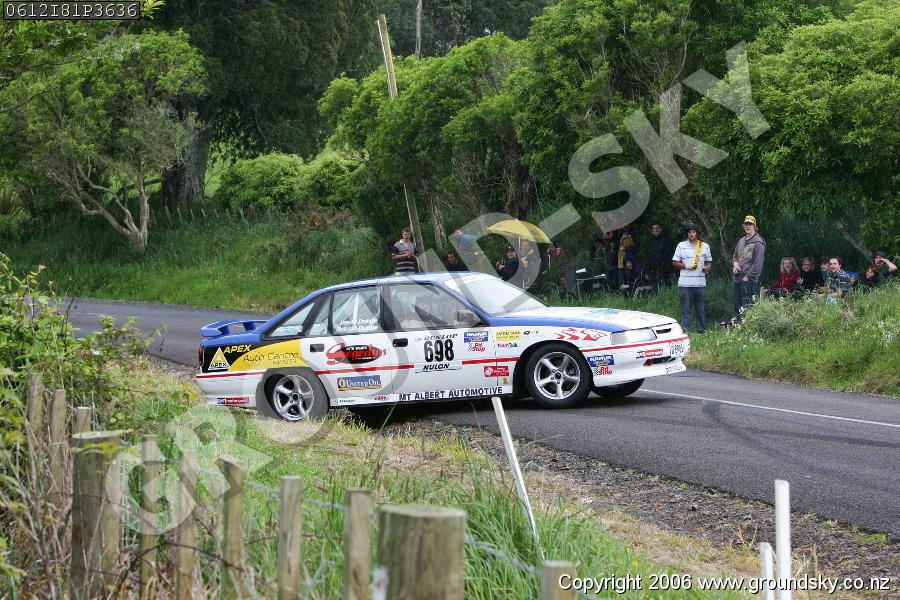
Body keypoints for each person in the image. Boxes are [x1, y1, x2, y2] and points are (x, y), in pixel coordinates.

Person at [672, 224, 712, 333]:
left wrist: (708, 268)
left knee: (700, 309)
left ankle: (702, 330)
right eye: (689, 232)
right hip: (685, 283)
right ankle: (686, 331)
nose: (691, 234)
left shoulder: (705, 246)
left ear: (697, 233)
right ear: (687, 234)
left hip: (700, 283)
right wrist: (686, 266)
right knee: (686, 310)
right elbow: (675, 262)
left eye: (693, 232)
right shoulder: (681, 245)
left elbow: (709, 261)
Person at [732, 215, 766, 319]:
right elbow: (735, 256)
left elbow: (758, 263)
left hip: (749, 280)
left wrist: (747, 277)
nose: (748, 226)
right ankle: (739, 325)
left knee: (747, 307)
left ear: (754, 226)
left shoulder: (758, 242)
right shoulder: (741, 240)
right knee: (737, 306)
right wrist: (735, 264)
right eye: (746, 224)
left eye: (750, 224)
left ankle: (747, 326)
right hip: (737, 278)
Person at [645, 221, 676, 287]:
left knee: (665, 288)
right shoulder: (651, 242)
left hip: (664, 271)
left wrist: (672, 270)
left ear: (661, 229)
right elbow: (649, 257)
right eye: (654, 228)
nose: (656, 230)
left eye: (657, 228)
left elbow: (672, 256)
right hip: (653, 271)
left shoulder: (668, 241)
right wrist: (647, 271)